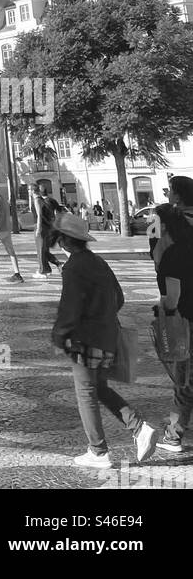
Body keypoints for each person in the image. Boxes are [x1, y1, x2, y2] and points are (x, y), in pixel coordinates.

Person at [50, 211, 158, 468]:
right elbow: (119, 298)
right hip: (107, 335)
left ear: (64, 241)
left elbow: (70, 308)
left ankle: (98, 451)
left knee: (86, 393)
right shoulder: (98, 261)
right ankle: (139, 428)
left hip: (84, 340)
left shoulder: (73, 267)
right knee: (98, 388)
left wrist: (59, 334)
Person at [149, 176, 193, 454]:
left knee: (184, 378)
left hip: (187, 316)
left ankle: (174, 434)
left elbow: (172, 296)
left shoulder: (174, 252)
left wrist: (163, 309)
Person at [32, 179, 64, 279]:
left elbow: (39, 215)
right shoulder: (50, 200)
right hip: (50, 226)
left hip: (42, 227)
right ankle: (53, 266)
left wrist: (38, 228)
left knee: (41, 250)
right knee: (44, 250)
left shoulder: (39, 200)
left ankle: (43, 270)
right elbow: (59, 211)